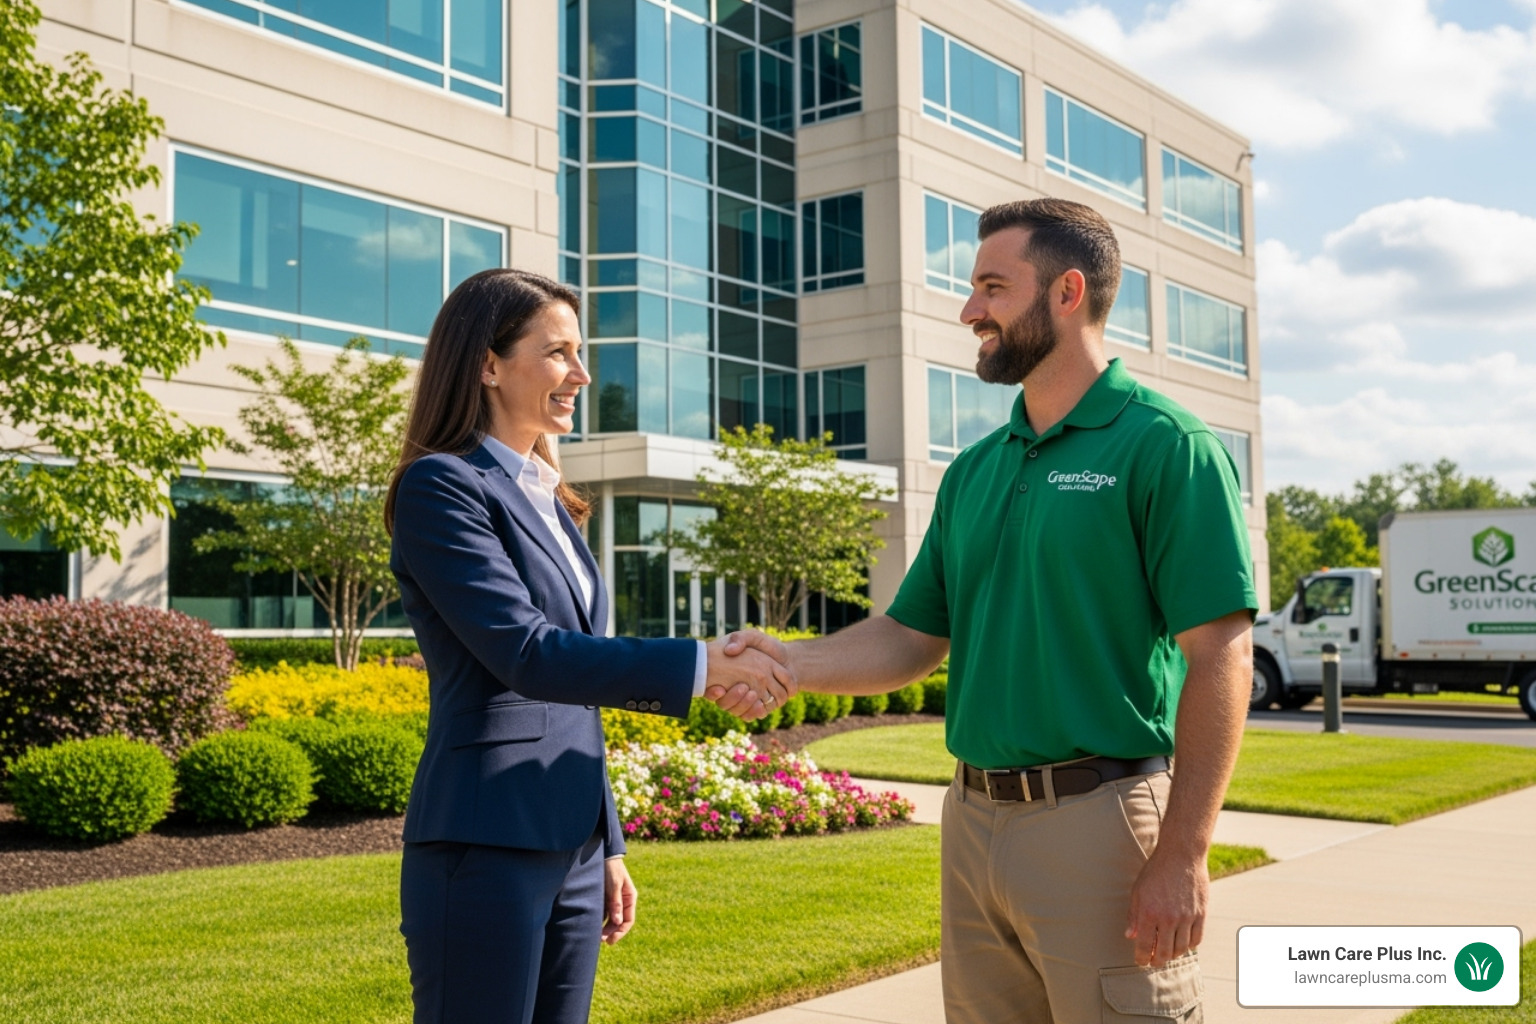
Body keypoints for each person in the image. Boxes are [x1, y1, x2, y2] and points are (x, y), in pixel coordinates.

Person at [727, 199, 1256, 1024]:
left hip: (1102, 826)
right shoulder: (974, 471)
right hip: (972, 824)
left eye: (992, 287)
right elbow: (910, 636)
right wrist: (790, 664)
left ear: (1067, 292)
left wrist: (1184, 852)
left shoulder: (1166, 447)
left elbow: (1220, 652)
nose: (970, 310)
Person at [384, 268, 794, 1024]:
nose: (582, 374)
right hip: (486, 843)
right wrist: (701, 666)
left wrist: (606, 844)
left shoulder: (549, 499)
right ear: (487, 364)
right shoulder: (443, 487)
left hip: (569, 844)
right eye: (559, 353)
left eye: (581, 353)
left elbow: (576, 692)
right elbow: (530, 655)